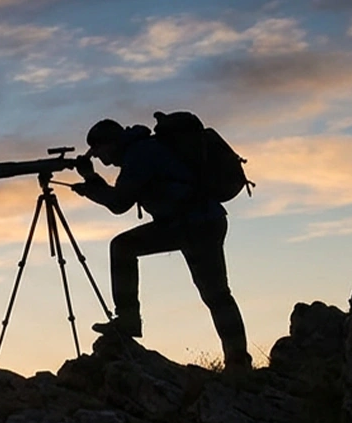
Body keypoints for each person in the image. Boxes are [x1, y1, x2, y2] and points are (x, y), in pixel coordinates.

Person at [69, 118, 251, 371]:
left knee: (124, 248)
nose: (97, 156)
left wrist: (90, 184)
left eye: (98, 150)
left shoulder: (140, 154)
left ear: (110, 144)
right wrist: (92, 179)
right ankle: (238, 361)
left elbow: (119, 203)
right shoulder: (142, 149)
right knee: (217, 294)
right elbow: (123, 198)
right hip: (199, 221)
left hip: (193, 223)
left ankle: (130, 319)